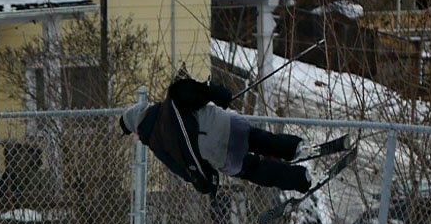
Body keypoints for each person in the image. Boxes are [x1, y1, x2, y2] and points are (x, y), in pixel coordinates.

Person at [118, 75, 313, 195]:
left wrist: (206, 183)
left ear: (136, 129)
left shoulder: (157, 144)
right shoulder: (171, 103)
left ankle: (300, 179)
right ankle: (295, 147)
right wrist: (218, 94)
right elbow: (196, 91)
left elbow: (182, 169)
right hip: (226, 125)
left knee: (254, 170)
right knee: (259, 140)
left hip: (219, 154)